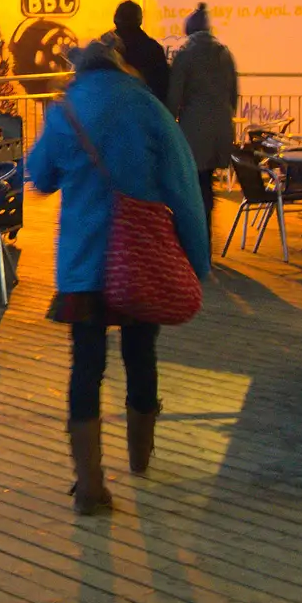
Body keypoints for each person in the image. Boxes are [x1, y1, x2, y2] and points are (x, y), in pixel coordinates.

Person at [28, 35, 209, 515]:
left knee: (85, 368)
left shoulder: (65, 111)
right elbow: (184, 186)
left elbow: (40, 175)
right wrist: (197, 260)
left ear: (80, 71)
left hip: (83, 265)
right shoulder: (146, 106)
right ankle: (140, 459)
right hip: (140, 258)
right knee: (140, 354)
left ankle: (89, 487)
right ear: (119, 65)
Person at [168, 2, 241, 239]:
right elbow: (233, 94)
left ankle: (198, 239)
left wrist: (170, 125)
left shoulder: (185, 56)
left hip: (194, 131)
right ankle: (207, 235)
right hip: (220, 129)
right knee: (207, 183)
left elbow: (174, 97)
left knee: (194, 185)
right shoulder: (224, 54)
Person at [112, 0, 170, 104]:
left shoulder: (107, 49)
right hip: (147, 111)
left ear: (116, 21)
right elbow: (163, 89)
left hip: (113, 113)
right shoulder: (153, 49)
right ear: (140, 21)